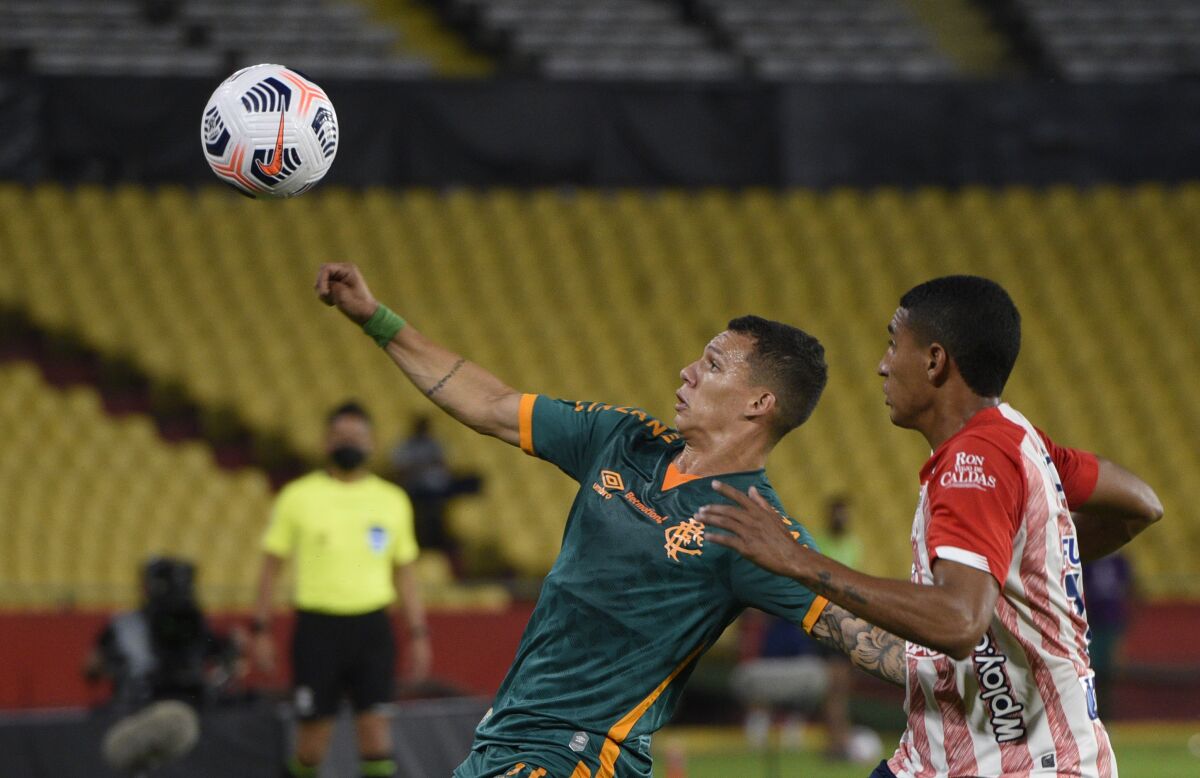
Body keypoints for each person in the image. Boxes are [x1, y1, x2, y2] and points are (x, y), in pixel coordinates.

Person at [314, 262, 907, 778]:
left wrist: (979, 673)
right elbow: (491, 405)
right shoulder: (621, 437)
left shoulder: (752, 528)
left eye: (713, 365)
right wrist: (375, 318)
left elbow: (859, 637)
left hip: (581, 755)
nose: (686, 372)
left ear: (759, 404)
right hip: (507, 740)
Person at [698, 275, 1164, 778]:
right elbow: (1142, 503)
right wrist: (1027, 564)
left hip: (1021, 766)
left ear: (935, 361)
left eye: (894, 343)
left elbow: (959, 622)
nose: (882, 364)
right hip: (935, 758)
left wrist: (799, 561)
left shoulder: (974, 461)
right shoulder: (1020, 439)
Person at [251, 400, 432, 778]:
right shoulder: (297, 496)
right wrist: (261, 629)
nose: (348, 443)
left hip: (372, 631)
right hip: (318, 631)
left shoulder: (392, 500)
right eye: (340, 436)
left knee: (377, 741)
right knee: (311, 746)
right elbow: (271, 568)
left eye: (357, 436)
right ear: (325, 443)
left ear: (371, 444)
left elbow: (405, 574)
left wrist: (418, 633)